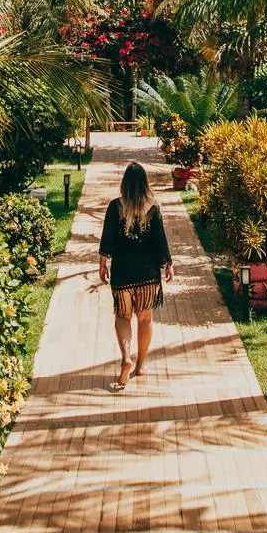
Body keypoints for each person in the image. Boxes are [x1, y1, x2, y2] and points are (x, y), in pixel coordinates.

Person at [98, 161, 173, 391]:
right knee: (145, 320)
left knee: (122, 317)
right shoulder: (153, 209)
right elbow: (160, 241)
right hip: (148, 275)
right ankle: (140, 365)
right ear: (144, 184)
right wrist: (168, 264)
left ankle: (125, 357)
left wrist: (103, 263)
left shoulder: (114, 207)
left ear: (124, 184)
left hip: (122, 273)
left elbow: (107, 239)